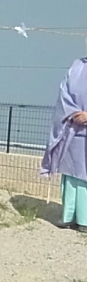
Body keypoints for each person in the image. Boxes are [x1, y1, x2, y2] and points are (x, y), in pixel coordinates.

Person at [41, 57, 87, 232]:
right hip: (73, 130)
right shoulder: (77, 66)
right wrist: (74, 112)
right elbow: (64, 93)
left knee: (84, 176)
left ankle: (85, 219)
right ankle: (68, 216)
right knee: (70, 174)